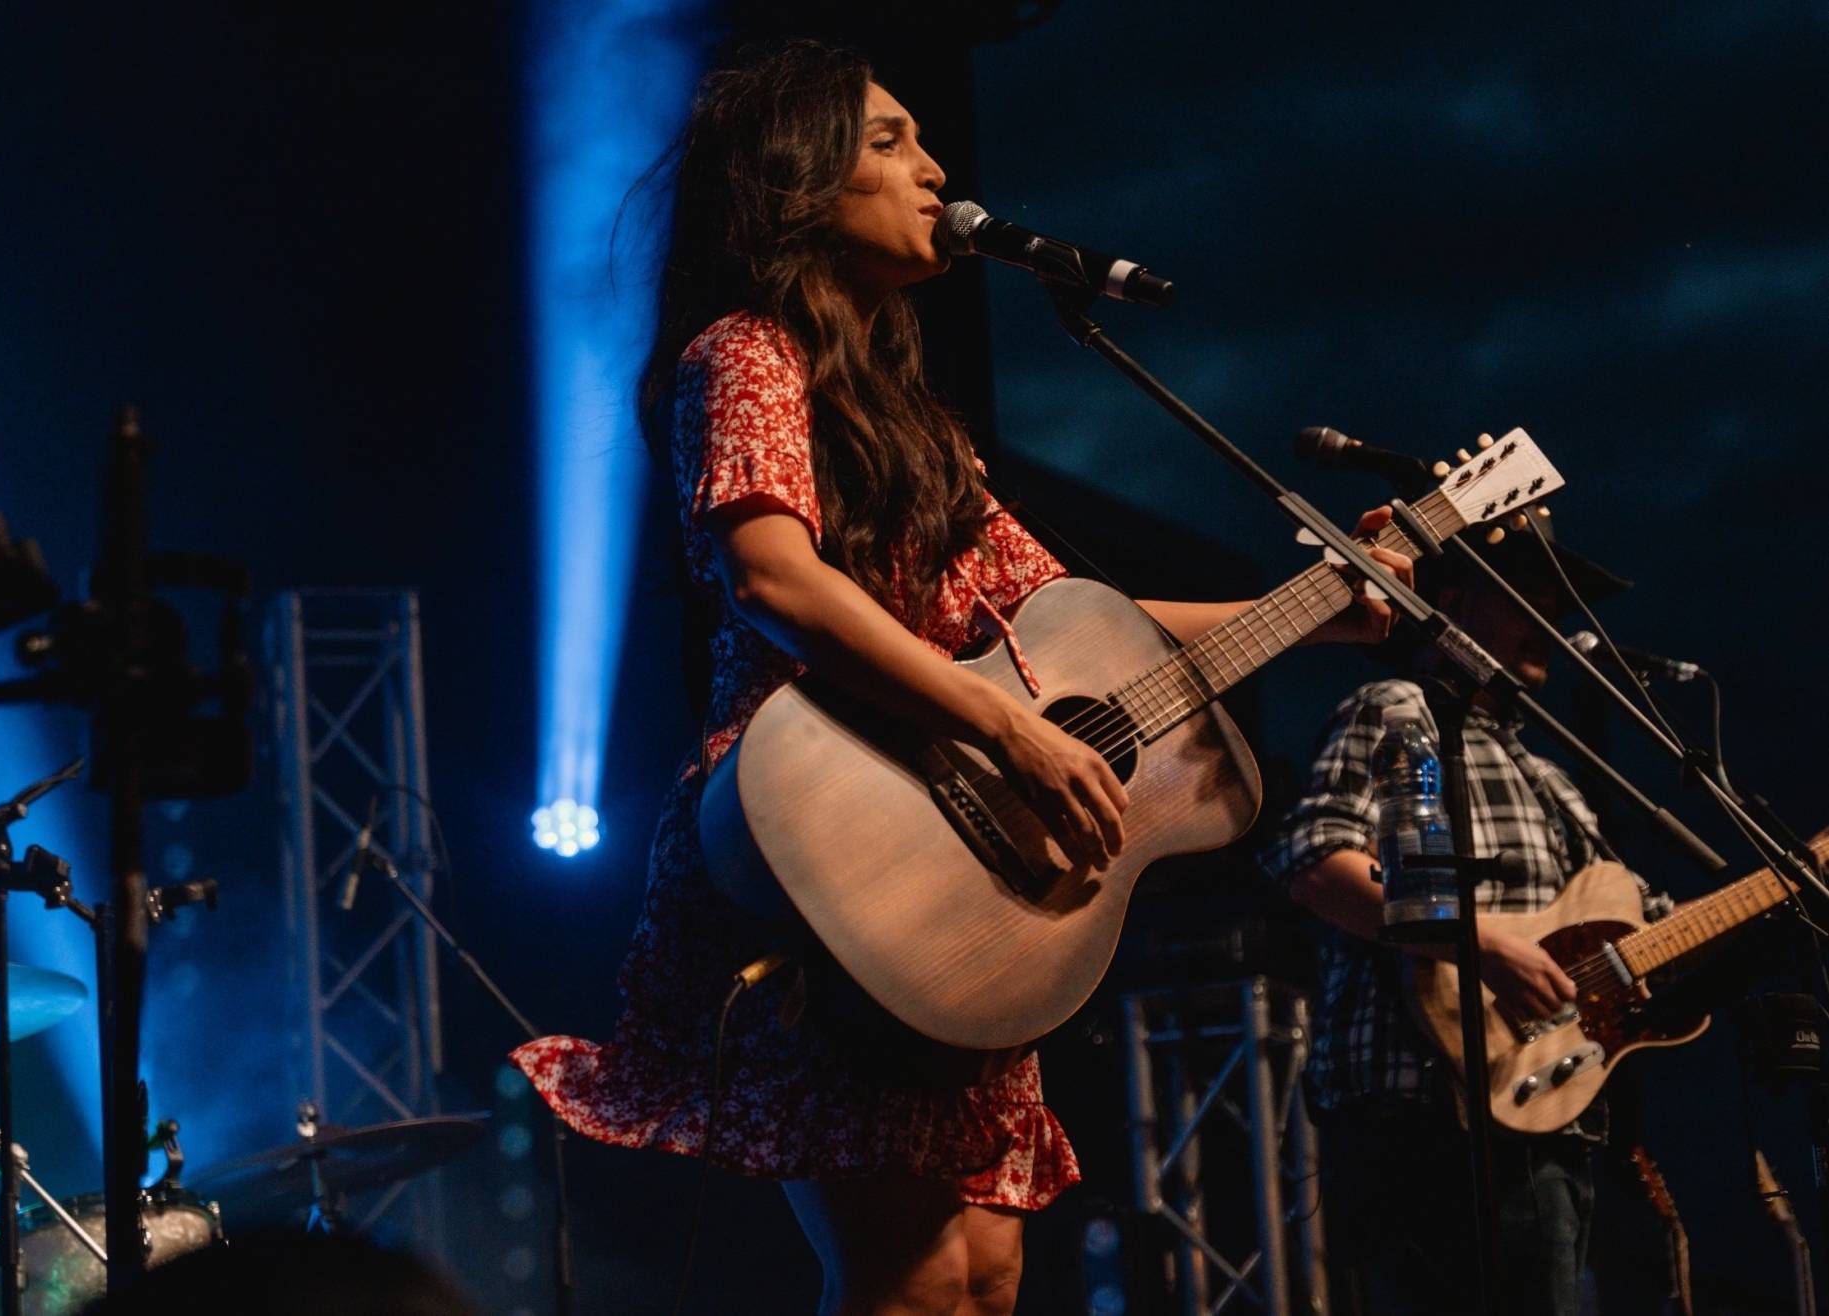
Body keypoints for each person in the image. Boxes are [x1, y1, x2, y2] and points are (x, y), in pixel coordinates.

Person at [512, 40, 1410, 1316]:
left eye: (925, 140)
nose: (935, 170)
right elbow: (772, 578)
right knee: (913, 1279)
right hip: (836, 830)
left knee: (986, 1275)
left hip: (952, 866)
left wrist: (1326, 611)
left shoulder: (912, 416)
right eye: (889, 142)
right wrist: (1006, 724)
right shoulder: (747, 352)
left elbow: (1083, 620)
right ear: (798, 182)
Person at [1261, 513, 1672, 1316]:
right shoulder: (1397, 707)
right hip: (1420, 1110)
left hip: (1547, 1107)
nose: (1547, 622)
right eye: (1528, 600)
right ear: (1450, 602)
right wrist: (1480, 946)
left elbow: (1645, 921)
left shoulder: (1551, 778)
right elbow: (1314, 860)